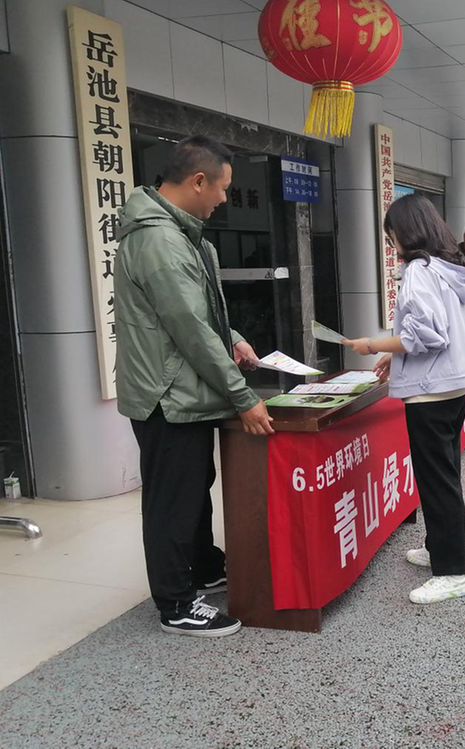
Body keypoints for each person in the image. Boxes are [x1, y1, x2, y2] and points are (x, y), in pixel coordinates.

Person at [116, 135, 275, 638]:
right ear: (198, 181)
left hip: (183, 391)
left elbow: (199, 314)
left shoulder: (183, 235)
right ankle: (176, 603)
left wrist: (234, 336)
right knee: (173, 499)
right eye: (223, 188)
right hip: (166, 395)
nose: (225, 198)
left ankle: (203, 566)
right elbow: (188, 329)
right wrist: (243, 397)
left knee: (193, 488)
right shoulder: (160, 240)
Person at [342, 195, 465, 605]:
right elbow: (443, 329)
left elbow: (427, 334)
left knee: (436, 480)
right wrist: (395, 352)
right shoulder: (452, 267)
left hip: (431, 390)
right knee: (446, 473)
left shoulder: (419, 271)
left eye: (392, 236)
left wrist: (371, 344)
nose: (392, 244)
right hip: (455, 383)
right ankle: (439, 548)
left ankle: (453, 572)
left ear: (407, 232)